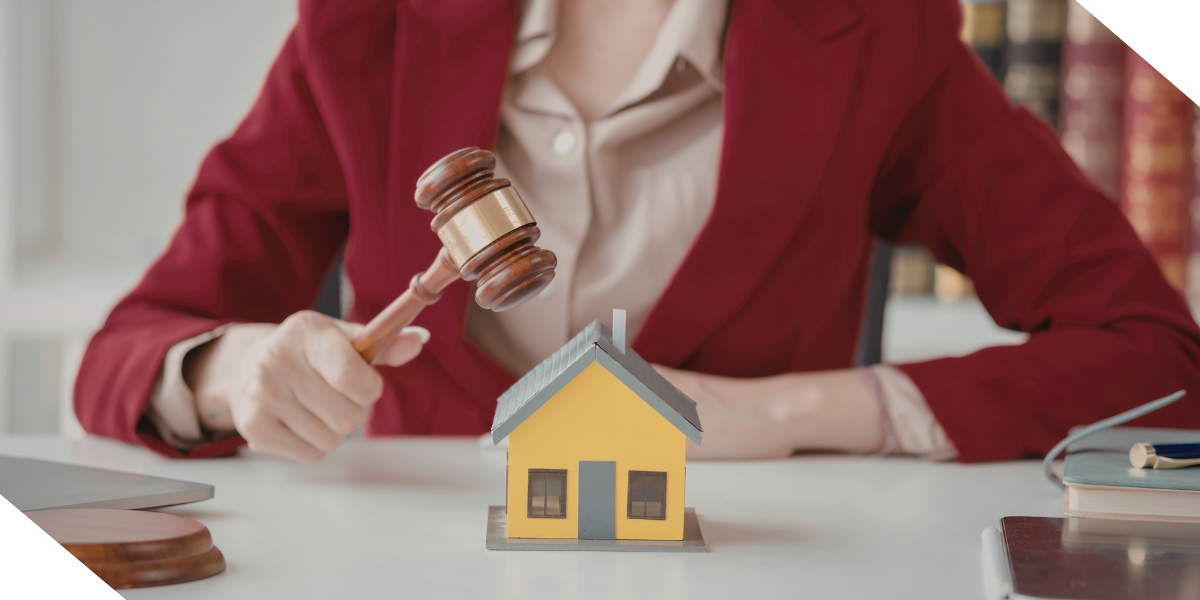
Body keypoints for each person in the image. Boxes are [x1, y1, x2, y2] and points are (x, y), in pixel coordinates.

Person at [74, 0, 1200, 464]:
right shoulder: (367, 23)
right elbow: (135, 344)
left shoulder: (871, 33)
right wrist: (233, 374)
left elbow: (1157, 360)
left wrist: (790, 414)